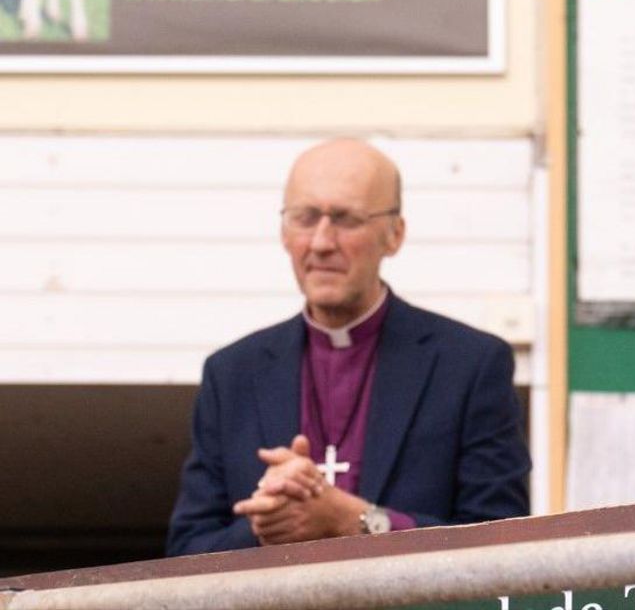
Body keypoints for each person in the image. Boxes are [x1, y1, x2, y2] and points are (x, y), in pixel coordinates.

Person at [167, 139, 530, 555]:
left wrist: (356, 520)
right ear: (284, 233)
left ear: (394, 235)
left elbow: (501, 542)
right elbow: (186, 552)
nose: (321, 242)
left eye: (346, 219)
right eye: (304, 218)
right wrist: (268, 521)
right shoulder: (232, 374)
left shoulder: (469, 366)